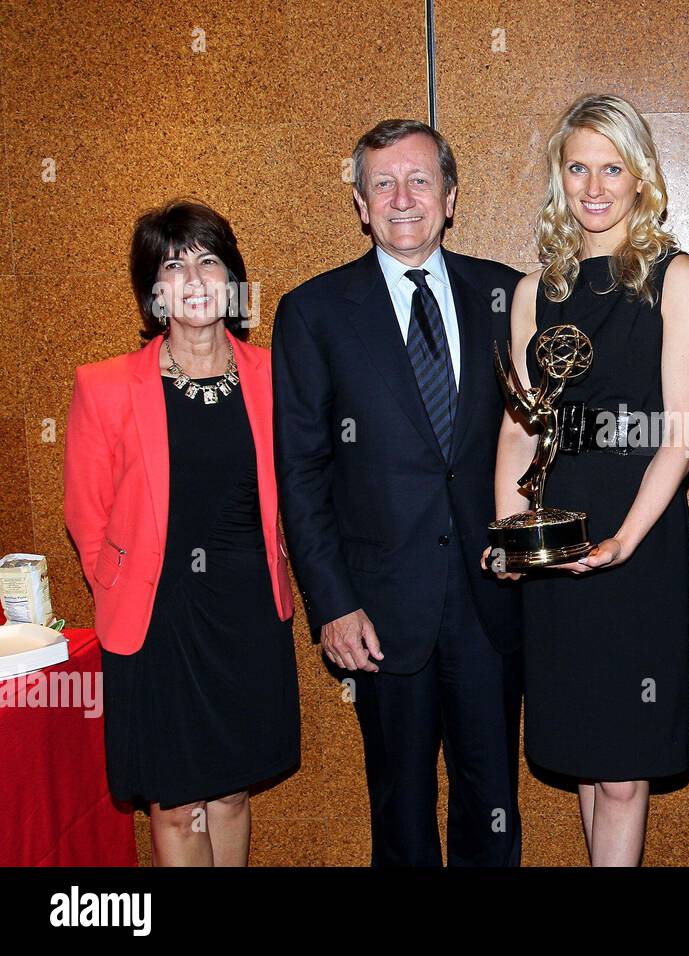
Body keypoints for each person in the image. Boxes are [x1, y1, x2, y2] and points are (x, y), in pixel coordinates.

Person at [273, 120, 523, 867]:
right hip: (378, 610)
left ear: (451, 196)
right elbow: (301, 471)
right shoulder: (313, 312)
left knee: (494, 801)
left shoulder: (508, 295)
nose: (402, 198)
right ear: (358, 202)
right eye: (382, 183)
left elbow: (539, 441)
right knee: (400, 802)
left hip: (490, 599)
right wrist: (333, 604)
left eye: (420, 180)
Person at [487, 93, 689, 866]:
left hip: (637, 528)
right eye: (578, 166)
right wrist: (510, 538)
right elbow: (519, 425)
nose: (593, 185)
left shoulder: (675, 277)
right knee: (585, 757)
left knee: (620, 773)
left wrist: (624, 539)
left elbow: (682, 435)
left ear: (641, 175)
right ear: (558, 177)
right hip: (555, 528)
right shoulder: (532, 292)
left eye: (611, 167)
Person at [63, 200, 298, 866]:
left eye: (208, 261)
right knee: (175, 806)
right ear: (152, 292)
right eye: (172, 265)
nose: (193, 280)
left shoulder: (274, 375)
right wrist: (122, 593)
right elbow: (86, 514)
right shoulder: (104, 387)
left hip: (247, 612)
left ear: (233, 279)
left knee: (228, 797)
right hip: (157, 621)